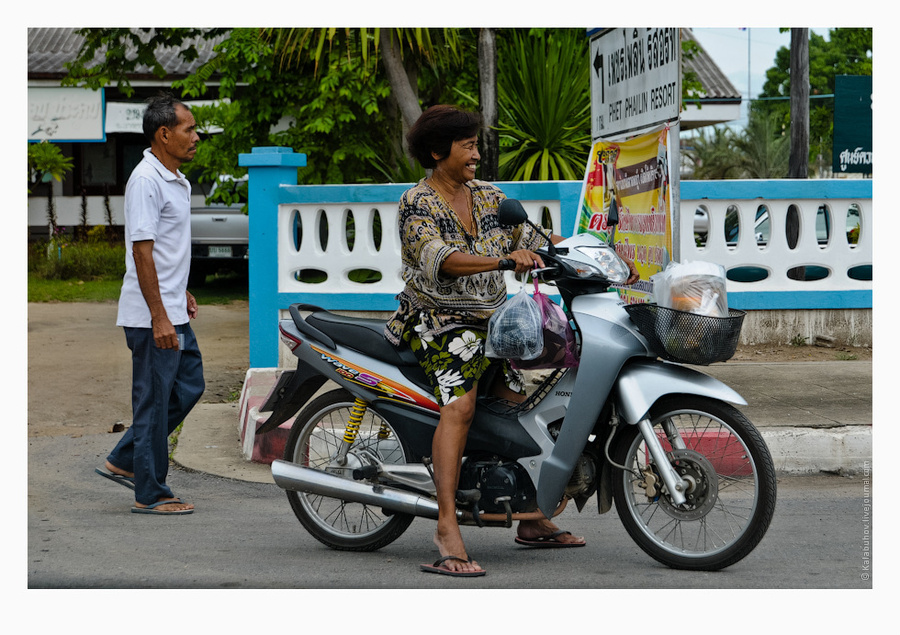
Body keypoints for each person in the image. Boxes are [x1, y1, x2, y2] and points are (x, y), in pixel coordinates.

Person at [384, 105, 638, 576]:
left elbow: (536, 238)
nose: (477, 154)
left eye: (477, 145)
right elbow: (440, 258)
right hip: (439, 320)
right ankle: (445, 525)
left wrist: (595, 257)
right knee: (460, 407)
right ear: (439, 152)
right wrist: (502, 263)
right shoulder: (416, 203)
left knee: (517, 406)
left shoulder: (488, 197)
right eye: (468, 146)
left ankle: (530, 517)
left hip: (495, 322)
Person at [93, 93, 205, 515]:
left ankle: (124, 459)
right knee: (154, 400)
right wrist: (159, 314)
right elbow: (141, 251)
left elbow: (166, 252)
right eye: (188, 129)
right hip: (151, 316)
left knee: (190, 386)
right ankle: (151, 492)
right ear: (164, 133)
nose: (196, 137)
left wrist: (182, 290)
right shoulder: (146, 180)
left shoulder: (175, 178)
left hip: (172, 307)